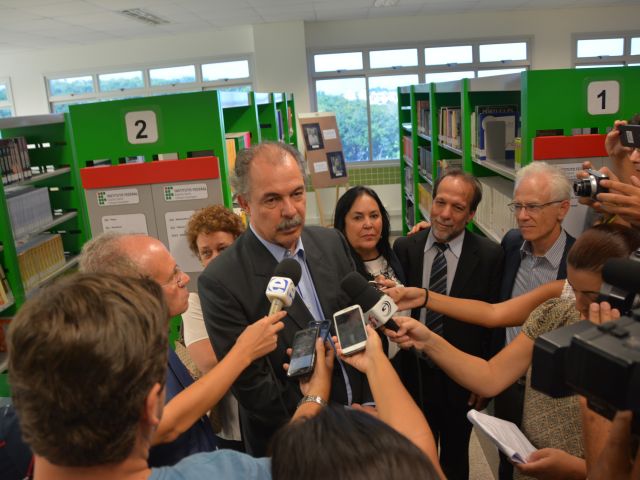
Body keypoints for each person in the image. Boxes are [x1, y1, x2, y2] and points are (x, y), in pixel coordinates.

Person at [388, 224, 640, 480]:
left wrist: (577, 469)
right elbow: (490, 376)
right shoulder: (555, 311)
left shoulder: (631, 350)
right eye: (572, 288)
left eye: (589, 294)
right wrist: (428, 340)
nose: (577, 302)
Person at [8, 273, 274, 479]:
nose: (185, 279)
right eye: (171, 275)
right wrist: (314, 397)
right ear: (151, 408)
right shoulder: (229, 472)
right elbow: (301, 465)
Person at [198, 141, 369, 456]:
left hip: (363, 421)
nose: (290, 210)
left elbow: (356, 329)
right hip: (294, 447)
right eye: (272, 199)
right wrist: (332, 418)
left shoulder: (331, 243)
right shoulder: (220, 281)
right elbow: (256, 392)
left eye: (297, 193)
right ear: (244, 204)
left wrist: (369, 403)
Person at [79, 232, 285, 465]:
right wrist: (243, 352)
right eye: (173, 277)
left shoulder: (152, 336)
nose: (185, 278)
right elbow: (164, 425)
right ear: (134, 292)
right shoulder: (114, 356)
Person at [393, 168, 504, 480]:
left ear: (471, 214)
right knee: (415, 457)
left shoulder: (490, 256)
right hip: (413, 373)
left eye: (457, 208)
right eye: (440, 202)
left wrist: (486, 378)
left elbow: (493, 322)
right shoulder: (406, 248)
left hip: (462, 378)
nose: (444, 214)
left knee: (456, 458)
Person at [184, 205, 245, 445]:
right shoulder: (195, 301)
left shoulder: (260, 285)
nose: (215, 259)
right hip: (231, 426)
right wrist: (253, 343)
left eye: (223, 249)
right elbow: (208, 360)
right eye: (206, 253)